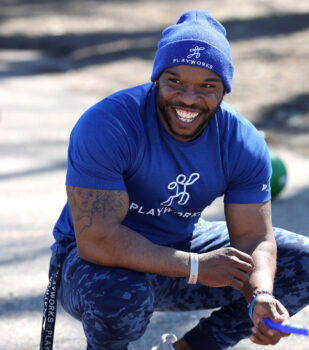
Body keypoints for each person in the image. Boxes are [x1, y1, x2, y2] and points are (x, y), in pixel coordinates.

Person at [47, 9, 309, 350]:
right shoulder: (108, 124)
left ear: (224, 89)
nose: (188, 98)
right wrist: (197, 267)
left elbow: (255, 238)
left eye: (207, 86)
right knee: (120, 294)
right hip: (94, 266)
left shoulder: (242, 142)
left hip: (182, 248)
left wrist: (260, 293)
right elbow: (97, 240)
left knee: (301, 262)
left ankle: (191, 349)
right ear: (157, 77)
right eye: (175, 81)